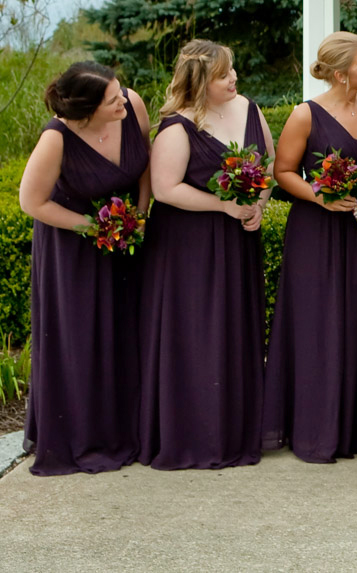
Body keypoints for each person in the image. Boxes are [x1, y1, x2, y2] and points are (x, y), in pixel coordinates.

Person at [139, 40, 274, 470]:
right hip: (188, 248)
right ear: (200, 82)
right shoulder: (177, 128)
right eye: (223, 75)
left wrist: (258, 206)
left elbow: (267, 166)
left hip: (238, 240)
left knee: (235, 329)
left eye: (232, 70)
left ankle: (236, 429)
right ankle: (194, 434)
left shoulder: (249, 109)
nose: (234, 78)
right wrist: (224, 206)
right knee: (197, 334)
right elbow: (165, 189)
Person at [19, 62, 150, 475]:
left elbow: (144, 165)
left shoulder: (134, 105)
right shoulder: (56, 138)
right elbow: (32, 202)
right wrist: (95, 228)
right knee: (83, 338)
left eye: (120, 93)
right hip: (72, 248)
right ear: (87, 110)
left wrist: (139, 217)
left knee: (128, 332)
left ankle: (133, 429)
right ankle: (83, 434)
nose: (123, 103)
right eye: (112, 101)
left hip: (128, 240)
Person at [262, 32, 357, 462]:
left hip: (356, 231)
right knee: (317, 323)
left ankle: (353, 430)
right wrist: (321, 196)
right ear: (340, 73)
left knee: (354, 319)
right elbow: (283, 170)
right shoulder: (305, 114)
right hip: (314, 231)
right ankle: (314, 429)